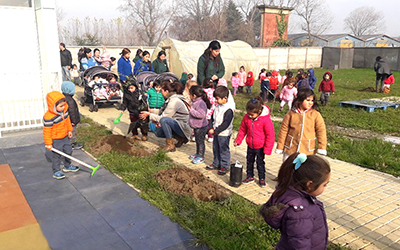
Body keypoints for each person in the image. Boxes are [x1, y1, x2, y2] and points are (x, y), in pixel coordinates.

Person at [260, 153, 330, 250]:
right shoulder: (300, 212)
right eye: (325, 184)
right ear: (309, 184)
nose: (325, 188)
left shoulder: (295, 196)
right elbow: (300, 244)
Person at [276, 89, 327, 162]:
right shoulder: (290, 114)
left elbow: (321, 131)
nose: (310, 103)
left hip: (307, 150)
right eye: (308, 100)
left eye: (312, 101)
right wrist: (280, 147)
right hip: (291, 148)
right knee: (288, 169)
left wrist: (322, 147)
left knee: (304, 170)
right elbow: (283, 131)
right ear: (300, 100)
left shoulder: (315, 115)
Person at [234, 97, 275, 187]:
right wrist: (238, 140)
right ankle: (250, 176)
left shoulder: (265, 120)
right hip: (250, 145)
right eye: (248, 114)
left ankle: (262, 178)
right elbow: (242, 130)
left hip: (260, 146)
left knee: (260, 163)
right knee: (249, 161)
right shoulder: (246, 118)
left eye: (252, 115)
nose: (249, 116)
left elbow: (270, 135)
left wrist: (268, 149)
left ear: (259, 112)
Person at [139, 81, 191, 152]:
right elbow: (163, 111)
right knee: (157, 132)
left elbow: (164, 117)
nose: (161, 93)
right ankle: (180, 138)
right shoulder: (171, 99)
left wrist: (150, 115)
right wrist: (151, 111)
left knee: (164, 121)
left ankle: (170, 144)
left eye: (161, 91)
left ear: (166, 91)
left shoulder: (174, 101)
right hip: (179, 125)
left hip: (184, 127)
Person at [43, 91, 79, 180]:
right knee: (57, 155)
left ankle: (67, 166)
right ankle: (56, 171)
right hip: (56, 139)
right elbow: (46, 131)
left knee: (68, 150)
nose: (63, 107)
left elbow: (67, 121)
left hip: (64, 137)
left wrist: (69, 130)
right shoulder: (48, 117)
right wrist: (49, 144)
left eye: (64, 105)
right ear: (53, 106)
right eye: (60, 106)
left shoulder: (64, 112)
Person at [205, 86, 235, 175]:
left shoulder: (228, 110)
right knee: (216, 148)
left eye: (217, 99)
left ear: (225, 98)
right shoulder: (217, 107)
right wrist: (210, 127)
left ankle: (225, 165)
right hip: (216, 132)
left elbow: (226, 124)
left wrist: (216, 130)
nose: (216, 101)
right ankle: (216, 163)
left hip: (224, 134)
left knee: (223, 150)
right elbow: (212, 118)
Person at [188, 85, 212, 164]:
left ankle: (201, 156)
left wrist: (191, 111)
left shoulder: (200, 103)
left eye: (190, 94)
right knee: (198, 141)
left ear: (194, 95)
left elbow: (201, 114)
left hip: (201, 127)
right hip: (196, 126)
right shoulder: (195, 102)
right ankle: (197, 154)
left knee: (200, 142)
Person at [61, 81, 83, 150]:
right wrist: (74, 121)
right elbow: (72, 111)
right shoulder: (70, 100)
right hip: (71, 121)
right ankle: (72, 144)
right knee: (72, 131)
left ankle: (67, 143)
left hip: (67, 120)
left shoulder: (63, 98)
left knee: (67, 132)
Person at [203, 79, 217, 143]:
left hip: (204, 109)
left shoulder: (203, 91)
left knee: (202, 124)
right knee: (211, 123)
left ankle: (201, 135)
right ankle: (210, 136)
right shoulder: (214, 91)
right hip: (212, 109)